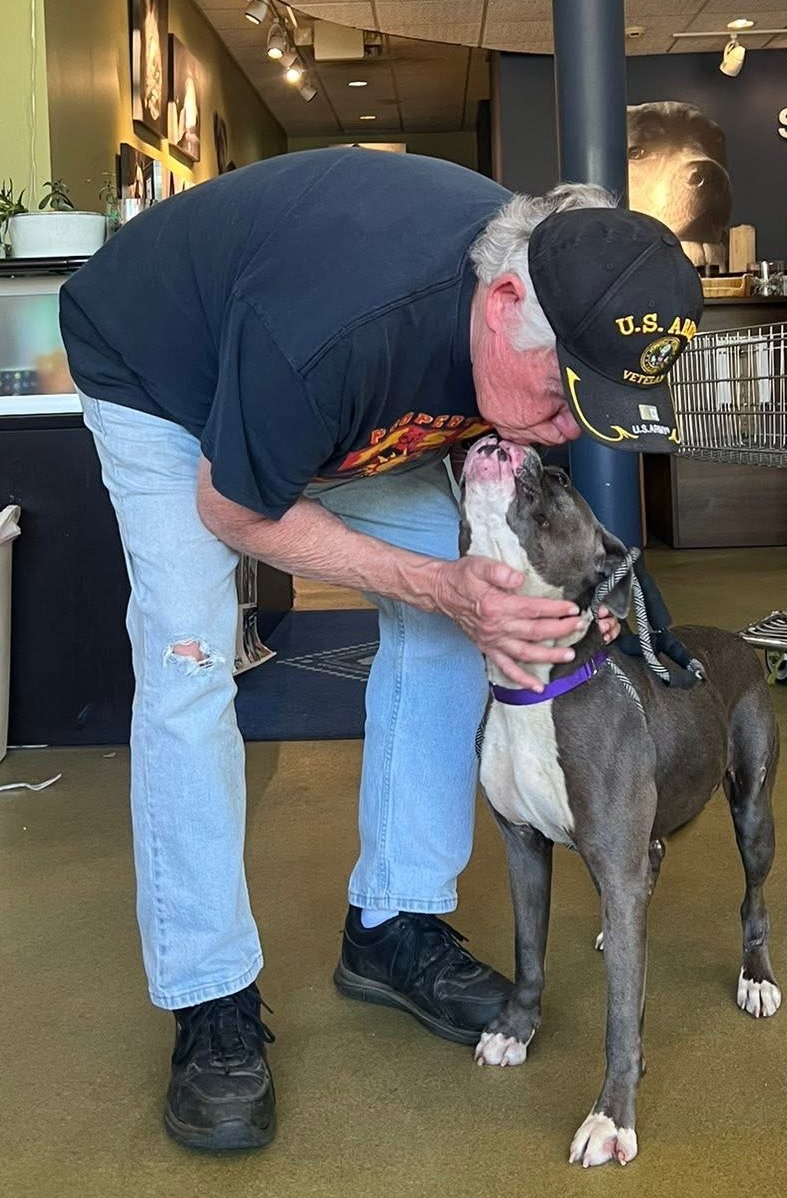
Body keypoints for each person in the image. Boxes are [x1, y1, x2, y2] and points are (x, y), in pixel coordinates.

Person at [59, 147, 703, 1151]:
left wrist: (553, 600)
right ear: (499, 307)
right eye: (561, 393)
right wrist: (430, 581)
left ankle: (392, 923)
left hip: (337, 388)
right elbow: (234, 507)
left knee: (463, 622)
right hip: (164, 371)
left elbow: (511, 490)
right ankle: (210, 995)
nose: (566, 429)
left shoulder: (536, 285)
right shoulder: (339, 327)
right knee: (189, 666)